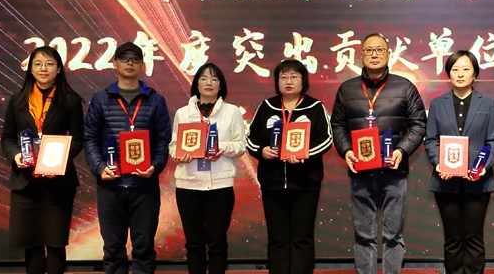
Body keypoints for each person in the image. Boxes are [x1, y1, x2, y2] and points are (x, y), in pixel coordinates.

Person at [330, 33, 426, 274]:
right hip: (360, 172)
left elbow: (418, 125)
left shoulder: (405, 86)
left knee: (393, 236)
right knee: (364, 236)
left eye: (379, 50)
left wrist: (402, 150)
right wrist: (346, 151)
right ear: (361, 55)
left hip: (394, 172)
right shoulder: (347, 89)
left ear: (388, 54)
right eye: (369, 50)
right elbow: (337, 125)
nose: (374, 54)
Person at [83, 42, 171, 274]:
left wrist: (155, 166)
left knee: (144, 249)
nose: (130, 63)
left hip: (145, 187)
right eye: (124, 58)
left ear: (142, 64)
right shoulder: (101, 99)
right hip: (110, 186)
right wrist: (99, 167)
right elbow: (90, 138)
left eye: (135, 59)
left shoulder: (156, 100)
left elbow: (163, 140)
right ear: (115, 64)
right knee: (113, 249)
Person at [0, 46, 84, 274]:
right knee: (32, 241)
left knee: (56, 242)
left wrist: (58, 161)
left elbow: (78, 139)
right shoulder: (18, 100)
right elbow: (7, 137)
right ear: (30, 69)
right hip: (25, 182)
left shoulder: (71, 101)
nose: (43, 68)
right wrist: (16, 155)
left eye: (49, 64)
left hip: (58, 183)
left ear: (59, 69)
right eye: (37, 64)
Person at [246, 60, 333, 274]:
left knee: (302, 237)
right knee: (277, 238)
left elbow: (326, 139)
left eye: (294, 76)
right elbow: (251, 139)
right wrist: (262, 151)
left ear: (304, 81)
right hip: (272, 182)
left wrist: (305, 154)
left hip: (306, 183)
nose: (289, 81)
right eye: (283, 77)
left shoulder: (315, 107)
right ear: (277, 82)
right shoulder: (267, 106)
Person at [423, 51, 494, 274]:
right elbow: (431, 140)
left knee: (474, 238)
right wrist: (439, 163)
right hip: (445, 182)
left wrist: (482, 167)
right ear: (448, 74)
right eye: (455, 69)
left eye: (466, 69)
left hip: (478, 182)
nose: (460, 74)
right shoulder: (437, 104)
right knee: (453, 239)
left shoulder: (488, 103)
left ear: (475, 74)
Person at [169, 63, 247, 274]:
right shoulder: (183, 113)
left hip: (220, 187)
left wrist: (223, 148)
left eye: (214, 79)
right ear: (196, 84)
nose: (209, 83)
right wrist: (179, 155)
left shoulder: (231, 112)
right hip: (188, 186)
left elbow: (241, 145)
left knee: (217, 243)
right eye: (203, 78)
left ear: (221, 85)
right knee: (194, 243)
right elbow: (173, 145)